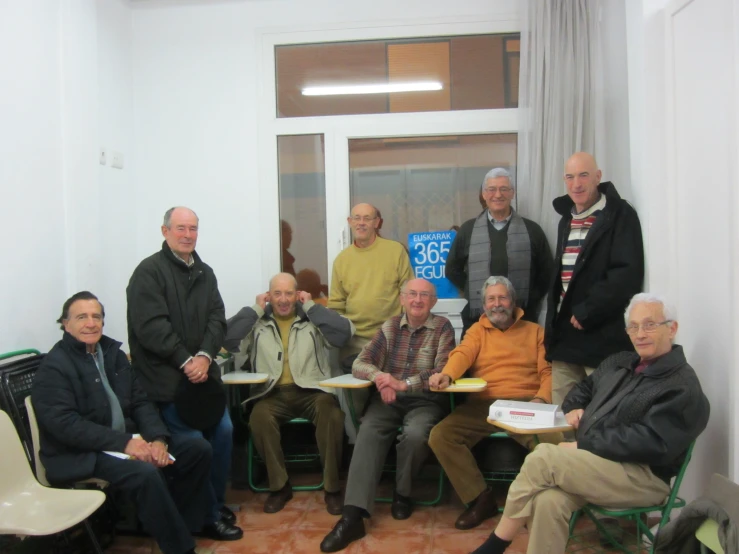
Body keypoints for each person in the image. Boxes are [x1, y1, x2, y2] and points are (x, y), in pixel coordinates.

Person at [471, 293, 710, 554]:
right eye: (633, 326)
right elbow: (583, 388)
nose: (640, 333)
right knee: (549, 500)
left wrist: (585, 444)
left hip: (643, 477)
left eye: (650, 324)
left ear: (672, 328)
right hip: (599, 466)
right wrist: (574, 407)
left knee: (543, 458)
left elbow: (651, 443)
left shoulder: (681, 386)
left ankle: (495, 545)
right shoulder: (621, 363)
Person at [32, 292, 216, 554]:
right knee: (146, 474)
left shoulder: (113, 355)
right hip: (81, 454)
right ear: (65, 323)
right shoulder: (54, 366)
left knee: (198, 450)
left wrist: (158, 439)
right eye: (81, 317)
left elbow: (141, 402)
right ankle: (180, 548)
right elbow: (65, 425)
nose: (91, 323)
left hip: (125, 442)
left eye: (96, 316)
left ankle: (179, 525)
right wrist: (126, 443)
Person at [126, 206, 242, 541]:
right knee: (193, 444)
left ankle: (215, 505)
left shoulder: (205, 272)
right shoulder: (147, 273)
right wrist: (186, 361)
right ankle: (205, 518)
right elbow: (151, 328)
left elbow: (217, 318)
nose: (187, 235)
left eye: (192, 229)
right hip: (168, 384)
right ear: (164, 231)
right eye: (180, 228)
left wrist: (205, 357)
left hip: (204, 380)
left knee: (223, 432)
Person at [320, 279, 455, 552]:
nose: (417, 300)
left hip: (425, 401)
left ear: (434, 301)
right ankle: (352, 516)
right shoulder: (390, 326)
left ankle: (402, 494)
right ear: (402, 299)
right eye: (412, 294)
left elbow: (442, 371)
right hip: (387, 400)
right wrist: (381, 377)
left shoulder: (443, 327)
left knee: (416, 435)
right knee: (367, 432)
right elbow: (360, 362)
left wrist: (404, 384)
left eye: (424, 295)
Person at [224, 273, 354, 515]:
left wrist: (312, 306)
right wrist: (254, 309)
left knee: (333, 416)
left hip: (312, 391)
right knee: (258, 418)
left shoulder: (312, 319)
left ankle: (333, 488)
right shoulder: (258, 323)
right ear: (268, 296)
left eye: (289, 293)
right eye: (277, 293)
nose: (283, 300)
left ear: (297, 295)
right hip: (271, 393)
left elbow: (345, 333)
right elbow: (226, 337)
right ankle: (279, 486)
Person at [428, 276, 552, 530]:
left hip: (526, 401)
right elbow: (462, 354)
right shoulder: (476, 331)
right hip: (485, 403)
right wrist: (447, 374)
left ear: (513, 301)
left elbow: (548, 372)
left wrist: (541, 399)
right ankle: (480, 499)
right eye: (491, 299)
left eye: (502, 297)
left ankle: (553, 503)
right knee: (441, 436)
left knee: (553, 443)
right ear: (483, 305)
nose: (497, 304)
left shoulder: (535, 331)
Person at [546, 153, 644, 407]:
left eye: (583, 175)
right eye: (570, 177)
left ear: (598, 177)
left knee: (601, 416)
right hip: (565, 339)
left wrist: (589, 310)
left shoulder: (619, 214)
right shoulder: (566, 219)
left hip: (601, 338)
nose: (576, 184)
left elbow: (627, 274)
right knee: (561, 417)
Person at [446, 168, 552, 332]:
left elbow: (547, 272)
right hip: (478, 320)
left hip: (522, 319)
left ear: (512, 193)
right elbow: (452, 270)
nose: (498, 195)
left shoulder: (532, 230)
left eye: (504, 189)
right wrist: (475, 291)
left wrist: (529, 297)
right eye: (492, 189)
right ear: (484, 194)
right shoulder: (468, 230)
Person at [328, 202, 412, 358]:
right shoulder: (341, 260)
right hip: (353, 345)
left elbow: (409, 294)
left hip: (391, 340)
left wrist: (406, 334)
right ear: (350, 221)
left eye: (367, 218)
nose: (361, 223)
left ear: (376, 222)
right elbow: (336, 305)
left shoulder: (395, 251)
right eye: (357, 218)